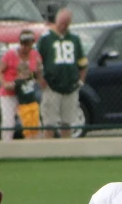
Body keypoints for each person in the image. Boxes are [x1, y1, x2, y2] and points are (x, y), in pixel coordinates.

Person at [37, 9, 88, 139]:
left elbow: (82, 63)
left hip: (70, 86)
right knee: (49, 123)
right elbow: (36, 61)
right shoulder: (46, 39)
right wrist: (39, 78)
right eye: (62, 23)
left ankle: (66, 150)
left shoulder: (74, 39)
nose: (64, 26)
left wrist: (80, 80)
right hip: (51, 85)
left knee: (67, 122)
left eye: (67, 23)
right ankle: (48, 150)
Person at [0, 30, 43, 141]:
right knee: (9, 122)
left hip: (25, 93)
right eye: (23, 44)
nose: (25, 47)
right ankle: (6, 147)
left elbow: (38, 78)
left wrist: (39, 69)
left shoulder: (35, 56)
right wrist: (5, 84)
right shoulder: (10, 55)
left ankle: (35, 147)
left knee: (33, 121)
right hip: (10, 93)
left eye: (28, 44)